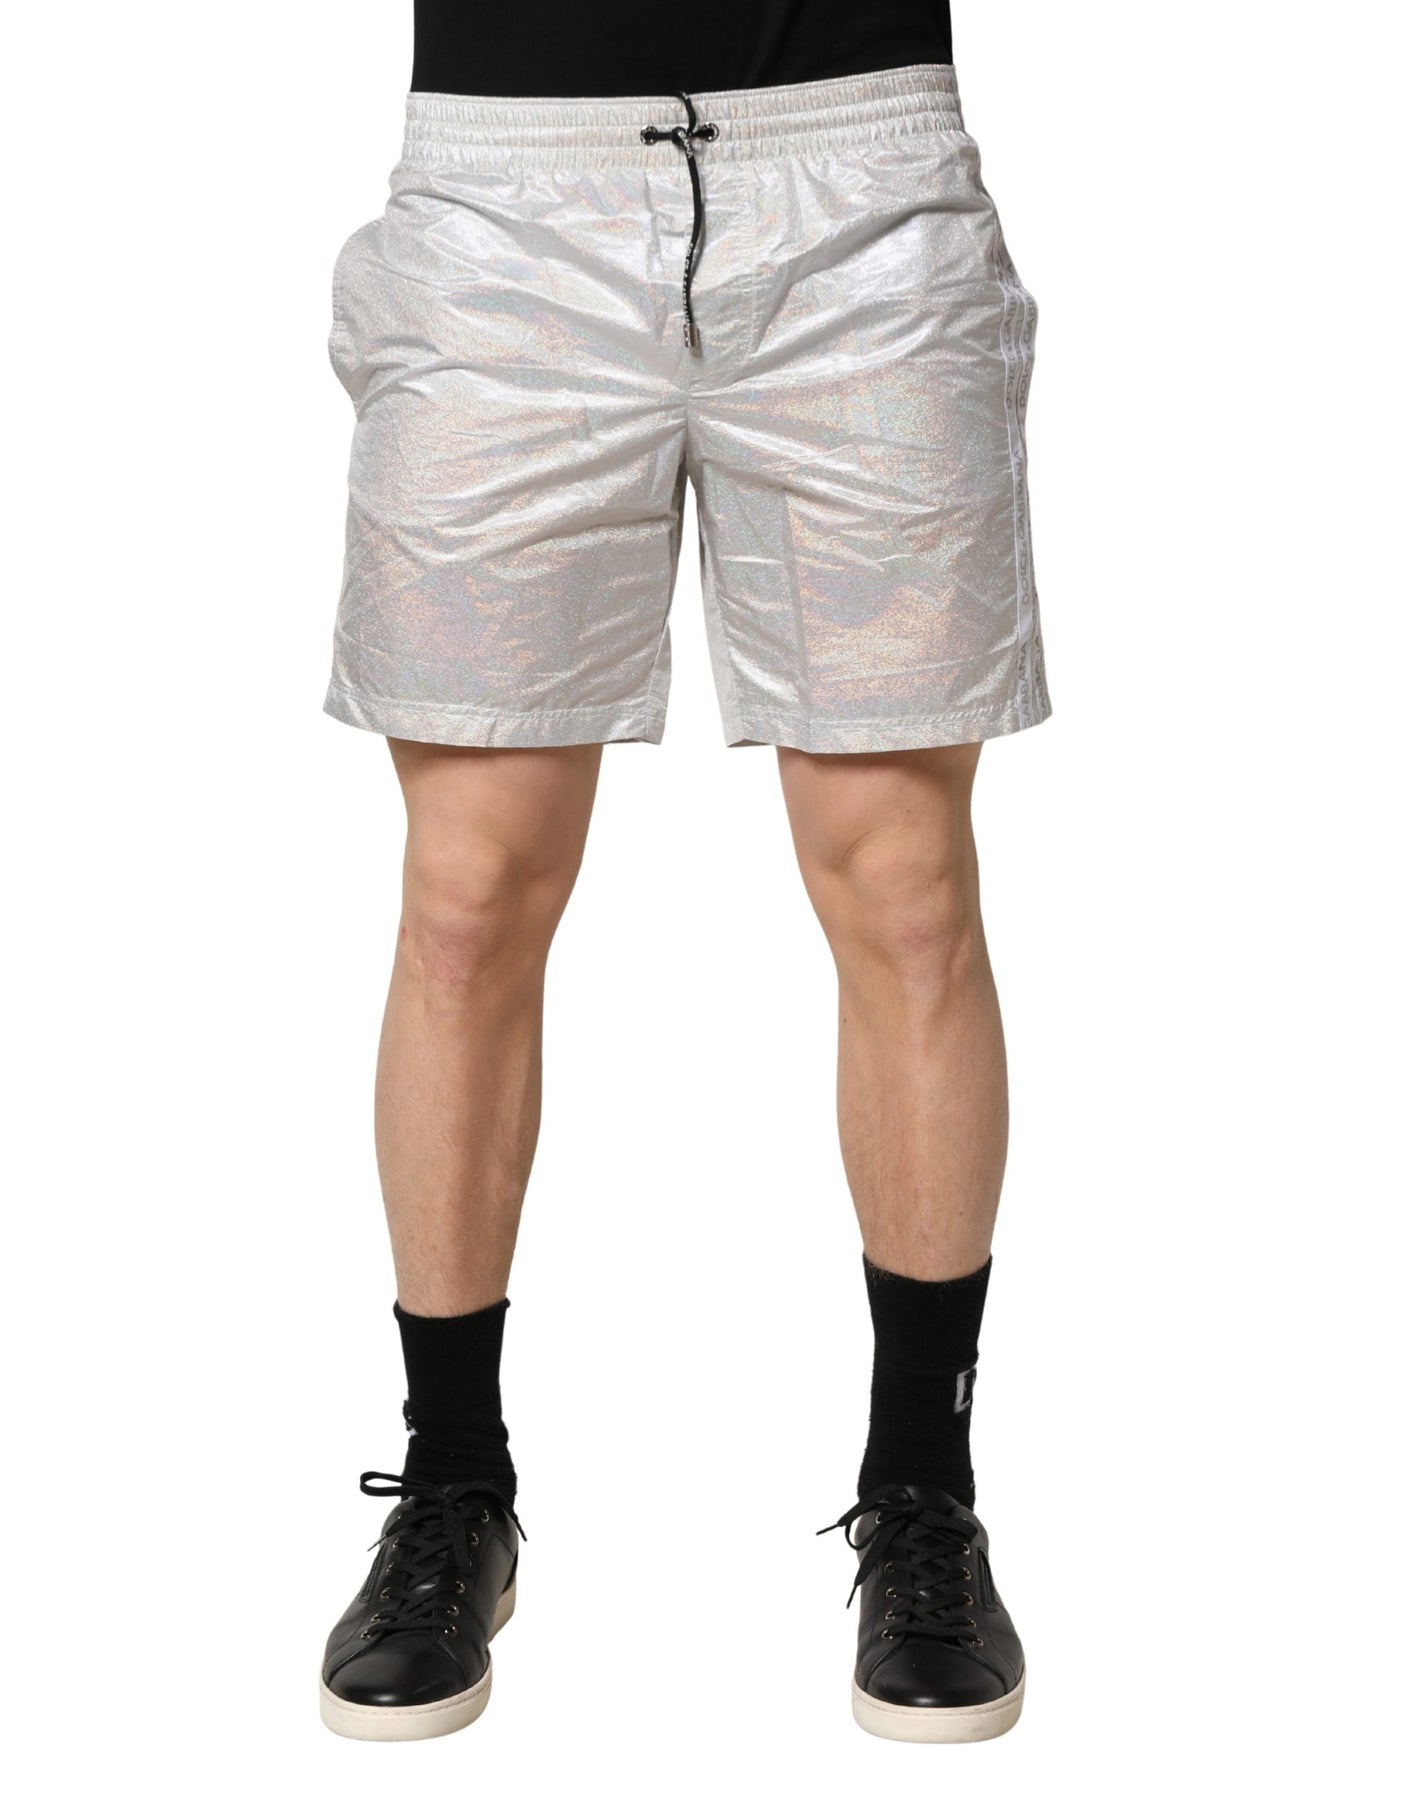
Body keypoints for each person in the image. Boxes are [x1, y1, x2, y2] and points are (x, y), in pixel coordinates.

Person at [318, 1, 1048, 1745]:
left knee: (906, 885)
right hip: (505, 200)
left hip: (860, 177)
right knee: (468, 891)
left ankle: (925, 1494)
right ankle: (452, 1483)